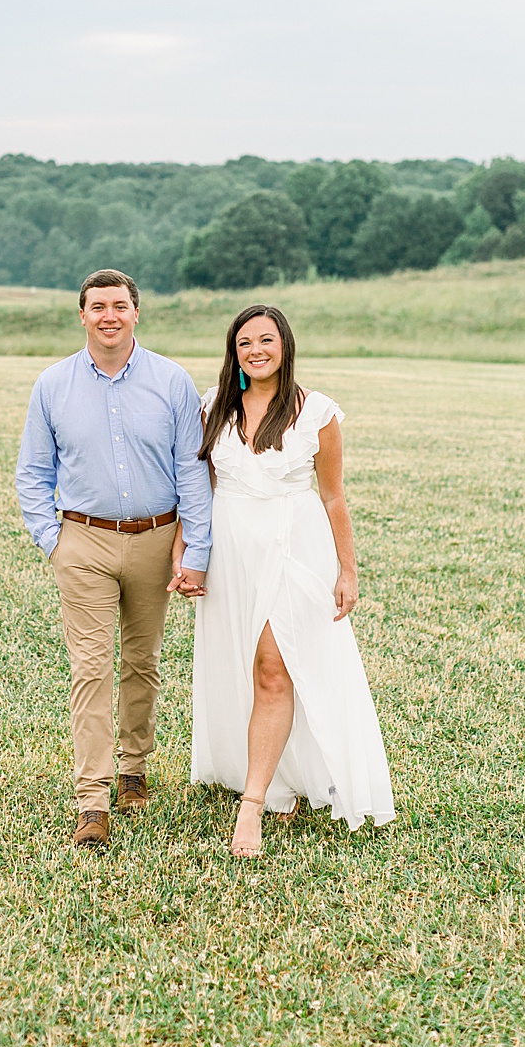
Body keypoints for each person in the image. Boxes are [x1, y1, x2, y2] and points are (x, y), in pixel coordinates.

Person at [15, 269, 213, 852]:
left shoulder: (171, 381)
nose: (109, 315)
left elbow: (191, 470)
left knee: (142, 661)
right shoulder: (52, 385)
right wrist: (53, 540)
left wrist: (195, 548)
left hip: (157, 539)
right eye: (97, 306)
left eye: (119, 305)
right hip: (83, 543)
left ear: (135, 313)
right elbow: (33, 472)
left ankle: (133, 766)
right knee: (91, 668)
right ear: (82, 315)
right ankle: (92, 800)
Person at [187, 303, 395, 856]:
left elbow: (332, 496)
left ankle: (252, 805)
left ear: (285, 346)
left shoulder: (316, 412)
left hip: (294, 549)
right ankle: (276, 776)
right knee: (247, 665)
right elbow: (200, 490)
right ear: (234, 352)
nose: (256, 351)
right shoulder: (213, 407)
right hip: (233, 553)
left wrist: (348, 569)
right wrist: (189, 552)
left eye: (266, 341)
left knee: (276, 669)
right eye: (244, 343)